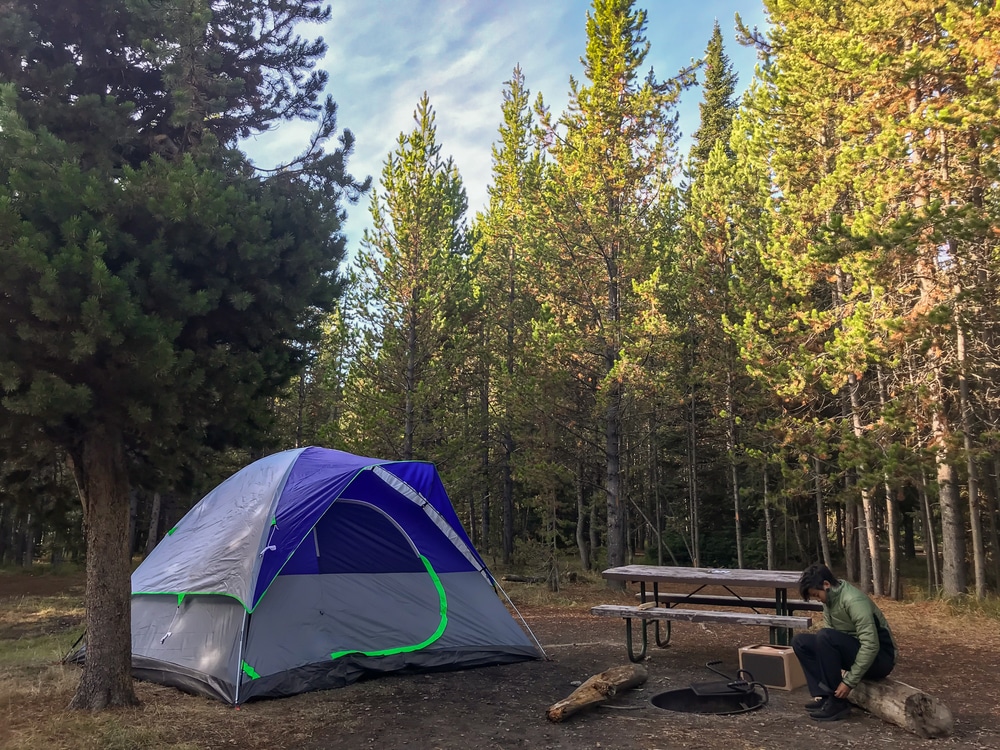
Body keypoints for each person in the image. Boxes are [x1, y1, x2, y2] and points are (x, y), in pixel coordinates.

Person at [791, 563, 897, 722]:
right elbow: (827, 638)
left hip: (881, 659)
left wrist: (848, 683)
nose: (817, 600)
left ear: (826, 585)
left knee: (825, 636)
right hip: (856, 650)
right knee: (800, 642)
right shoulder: (830, 600)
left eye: (816, 595)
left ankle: (838, 704)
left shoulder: (853, 600)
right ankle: (826, 695)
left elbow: (871, 645)